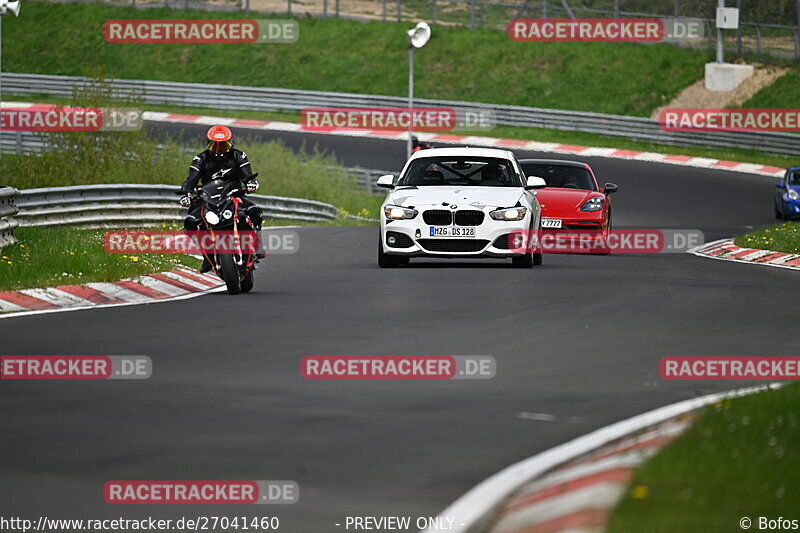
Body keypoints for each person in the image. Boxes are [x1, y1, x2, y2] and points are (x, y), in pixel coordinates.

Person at [179, 125, 265, 273]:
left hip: (234, 194)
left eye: (223, 145)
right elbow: (191, 180)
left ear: (231, 143)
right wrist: (186, 194)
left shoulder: (239, 156)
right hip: (208, 198)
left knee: (255, 212)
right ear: (208, 144)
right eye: (215, 145)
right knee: (190, 222)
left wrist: (251, 183)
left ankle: (257, 245)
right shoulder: (200, 159)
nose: (219, 150)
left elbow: (247, 175)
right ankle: (207, 257)